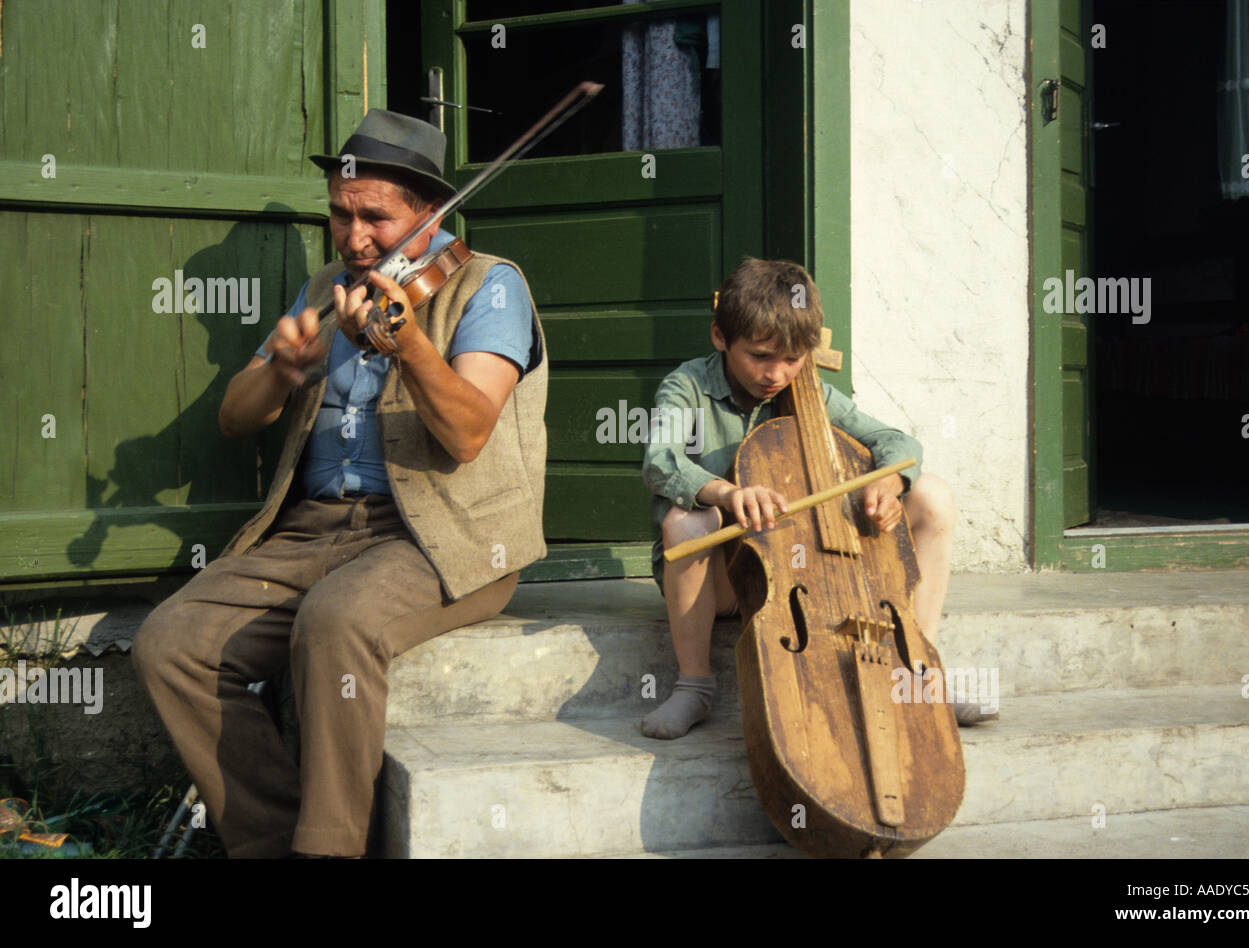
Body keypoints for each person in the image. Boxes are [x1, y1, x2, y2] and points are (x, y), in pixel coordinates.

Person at [132, 110, 548, 857]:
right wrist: (284, 370)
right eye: (339, 215)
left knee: (335, 620)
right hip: (312, 530)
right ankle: (273, 838)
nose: (354, 238)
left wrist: (409, 343)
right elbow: (234, 417)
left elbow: (468, 432)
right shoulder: (326, 287)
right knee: (169, 643)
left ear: (429, 212)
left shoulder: (490, 288)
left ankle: (329, 850)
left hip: (443, 536)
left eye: (375, 218)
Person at [640, 258, 992, 740]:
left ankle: (915, 669)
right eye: (760, 356)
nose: (777, 374)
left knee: (932, 494)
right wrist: (727, 493)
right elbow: (661, 459)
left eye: (792, 359)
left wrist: (889, 483)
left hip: (801, 570)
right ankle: (694, 687)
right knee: (687, 520)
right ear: (720, 337)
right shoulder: (688, 386)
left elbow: (897, 442)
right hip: (723, 578)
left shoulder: (810, 391)